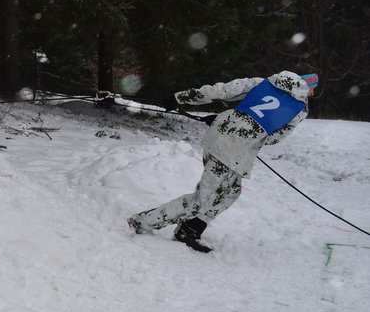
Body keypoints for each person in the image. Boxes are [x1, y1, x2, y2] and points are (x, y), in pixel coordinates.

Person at [127, 69, 318, 253]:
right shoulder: (301, 108)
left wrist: (179, 98)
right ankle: (144, 221)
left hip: (221, 135)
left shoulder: (264, 82)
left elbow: (221, 91)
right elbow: (275, 137)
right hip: (234, 150)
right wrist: (251, 136)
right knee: (203, 199)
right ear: (306, 83)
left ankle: (190, 230)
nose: (313, 91)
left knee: (230, 193)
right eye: (313, 86)